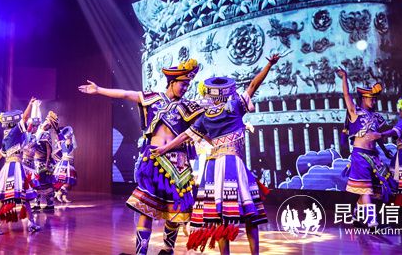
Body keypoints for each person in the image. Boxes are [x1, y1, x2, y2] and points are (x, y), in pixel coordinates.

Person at [151, 53, 280, 255]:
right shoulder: (235, 106)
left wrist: (164, 149)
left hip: (214, 167)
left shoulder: (205, 117)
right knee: (250, 215)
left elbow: (184, 136)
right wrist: (269, 65)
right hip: (232, 165)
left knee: (220, 217)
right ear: (227, 94)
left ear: (210, 96)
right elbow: (253, 85)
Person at [79, 59, 203, 255]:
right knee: (146, 207)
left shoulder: (189, 107)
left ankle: (168, 249)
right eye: (183, 83)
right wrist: (99, 89)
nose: (186, 88)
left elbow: (208, 121)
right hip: (154, 160)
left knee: (175, 210)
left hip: (178, 163)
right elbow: (125, 94)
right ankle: (141, 252)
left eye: (188, 84)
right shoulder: (152, 99)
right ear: (172, 82)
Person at [337, 69, 395, 228]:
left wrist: (384, 150)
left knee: (372, 189)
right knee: (366, 189)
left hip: (374, 156)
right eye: (371, 99)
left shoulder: (376, 117)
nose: (374, 102)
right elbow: (346, 95)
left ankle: (356, 215)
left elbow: (378, 136)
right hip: (360, 156)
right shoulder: (355, 112)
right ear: (363, 98)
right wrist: (345, 77)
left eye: (375, 99)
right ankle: (372, 221)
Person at [0, 98, 41, 234]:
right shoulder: (15, 131)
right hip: (14, 167)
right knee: (21, 196)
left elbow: (2, 152)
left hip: (8, 167)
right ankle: (30, 223)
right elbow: (25, 118)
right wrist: (29, 104)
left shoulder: (6, 135)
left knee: (9, 197)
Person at [53, 126, 77, 203]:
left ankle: (64, 197)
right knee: (67, 181)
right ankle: (59, 193)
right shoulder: (67, 141)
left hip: (68, 163)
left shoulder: (62, 142)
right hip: (66, 164)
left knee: (67, 181)